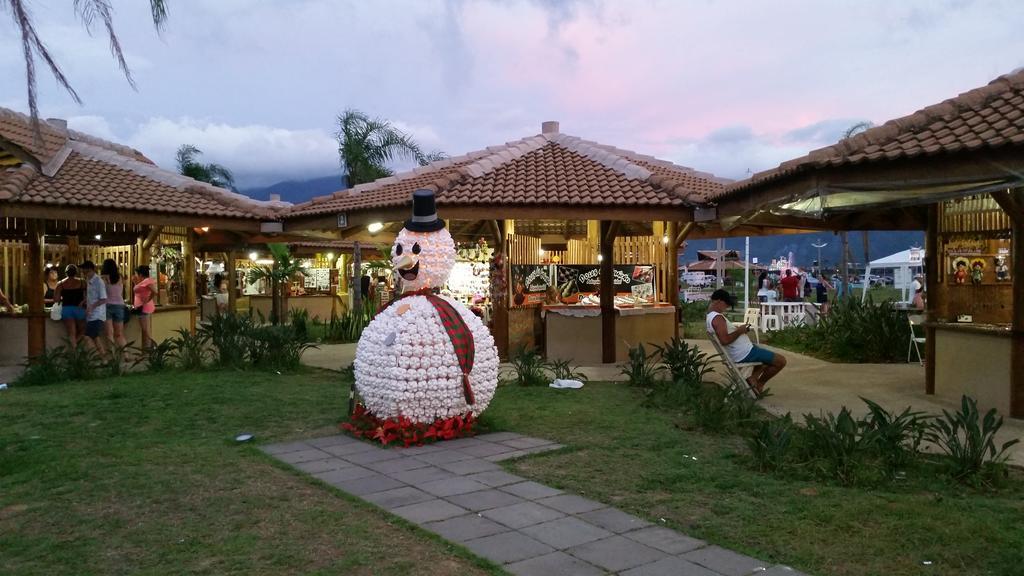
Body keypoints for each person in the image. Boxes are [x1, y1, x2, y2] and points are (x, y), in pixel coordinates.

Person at [707, 289, 786, 395]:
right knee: (780, 361)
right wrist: (740, 331)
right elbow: (725, 340)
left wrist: (737, 330)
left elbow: (725, 335)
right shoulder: (717, 318)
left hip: (745, 351)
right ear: (719, 301)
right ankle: (759, 383)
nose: (726, 308)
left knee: (764, 358)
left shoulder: (712, 317)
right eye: (726, 304)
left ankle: (752, 378)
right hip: (744, 354)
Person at [80, 261, 108, 359]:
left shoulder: (98, 282)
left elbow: (104, 299)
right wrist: (84, 301)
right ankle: (103, 358)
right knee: (96, 337)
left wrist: (92, 306)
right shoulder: (88, 279)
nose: (83, 273)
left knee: (87, 336)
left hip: (97, 315)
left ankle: (95, 357)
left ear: (90, 270)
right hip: (91, 315)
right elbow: (91, 296)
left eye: (85, 271)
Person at [53, 264, 86, 346]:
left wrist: (63, 297)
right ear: (76, 273)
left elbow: (56, 300)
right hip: (79, 309)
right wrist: (83, 301)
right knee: (84, 330)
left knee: (71, 333)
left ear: (66, 273)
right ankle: (76, 343)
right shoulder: (82, 282)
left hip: (66, 309)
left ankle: (73, 350)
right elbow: (91, 295)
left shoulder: (60, 284)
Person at [101, 259, 128, 349]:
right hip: (119, 306)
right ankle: (126, 355)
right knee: (119, 334)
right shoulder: (120, 277)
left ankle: (113, 357)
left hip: (107, 305)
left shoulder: (103, 278)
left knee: (109, 334)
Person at [132, 265, 157, 349]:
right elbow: (141, 291)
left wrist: (148, 299)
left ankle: (152, 347)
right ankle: (147, 348)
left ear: (140, 274)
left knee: (145, 330)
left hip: (143, 308)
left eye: (137, 274)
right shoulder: (144, 281)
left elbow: (155, 291)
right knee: (145, 330)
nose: (136, 275)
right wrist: (136, 283)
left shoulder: (147, 281)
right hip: (141, 307)